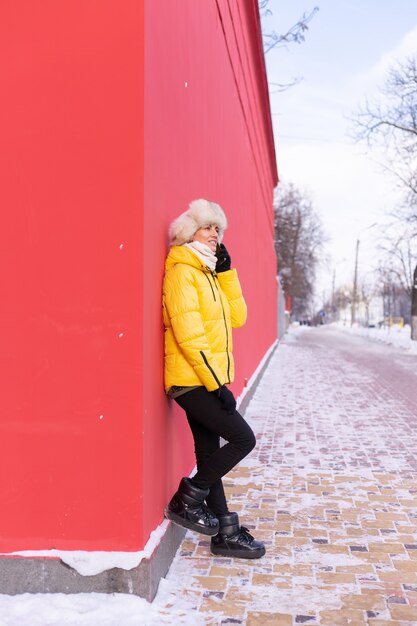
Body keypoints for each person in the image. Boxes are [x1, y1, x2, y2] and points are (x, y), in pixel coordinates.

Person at [163, 198, 265, 559]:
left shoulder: (208, 273)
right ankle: (186, 499)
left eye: (218, 229)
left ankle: (225, 534)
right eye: (208, 227)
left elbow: (237, 317)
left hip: (203, 379)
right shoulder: (181, 272)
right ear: (191, 232)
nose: (215, 235)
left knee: (209, 452)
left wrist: (226, 273)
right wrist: (216, 385)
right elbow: (190, 336)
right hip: (191, 379)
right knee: (242, 438)